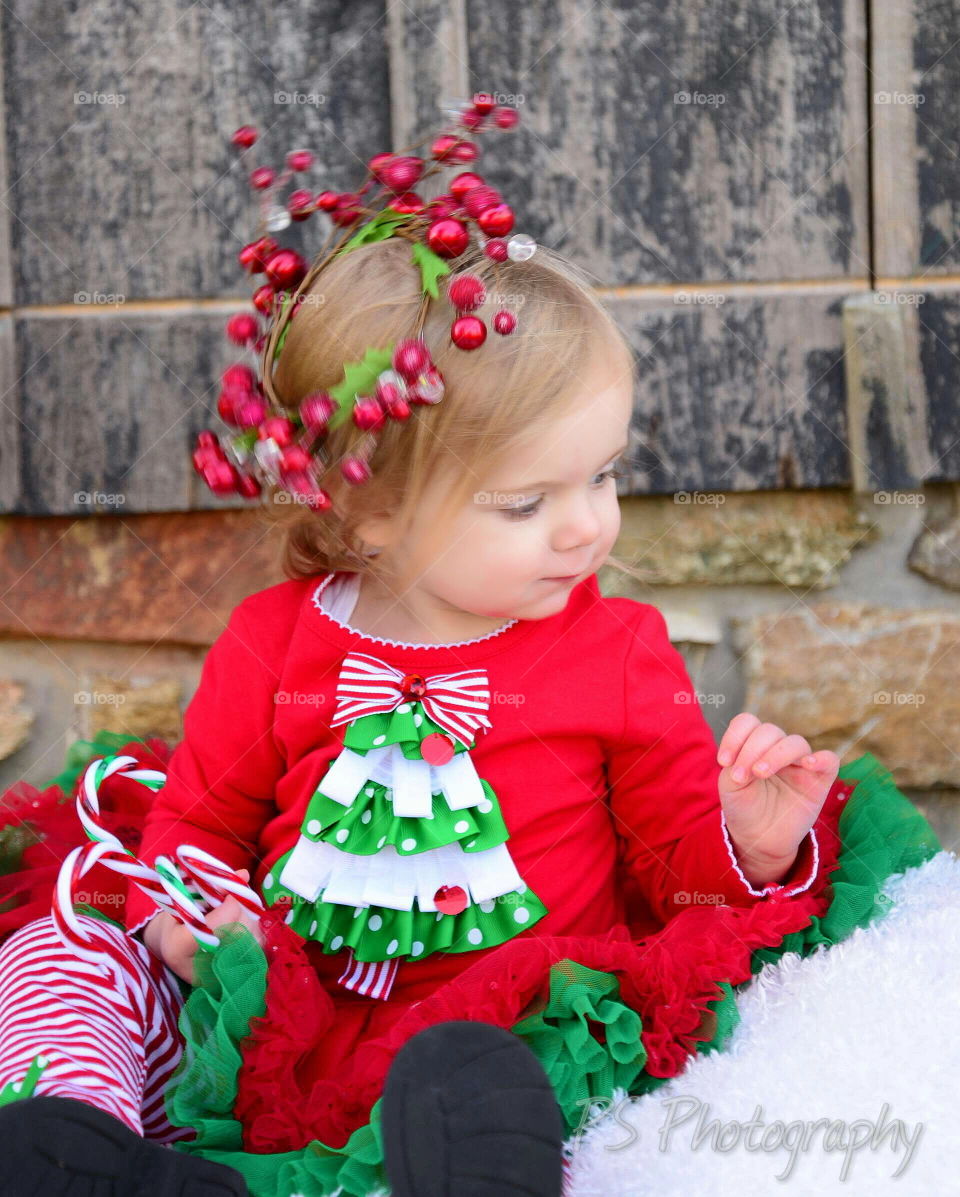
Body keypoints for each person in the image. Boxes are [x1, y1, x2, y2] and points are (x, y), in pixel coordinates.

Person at [0, 98, 941, 1197]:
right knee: (61, 954)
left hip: (507, 1018)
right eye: (525, 503)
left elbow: (668, 879)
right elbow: (199, 821)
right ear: (371, 518)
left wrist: (744, 840)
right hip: (295, 1022)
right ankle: (88, 1156)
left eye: (603, 475)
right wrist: (191, 928)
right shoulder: (276, 642)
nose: (588, 526)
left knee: (482, 1078)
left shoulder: (619, 651)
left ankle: (465, 1178)